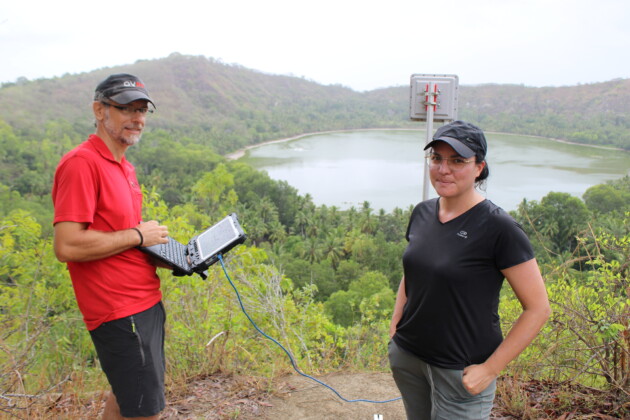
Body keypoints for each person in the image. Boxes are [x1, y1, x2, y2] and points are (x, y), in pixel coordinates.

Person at [388, 120, 551, 419]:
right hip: (408, 357)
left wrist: (490, 369)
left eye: (458, 161)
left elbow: (538, 309)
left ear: (479, 167)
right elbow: (413, 269)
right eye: (436, 158)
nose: (443, 169)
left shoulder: (499, 228)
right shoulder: (423, 212)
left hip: (460, 371)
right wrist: (396, 322)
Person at [52, 73, 171, 420]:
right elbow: (68, 245)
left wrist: (166, 255)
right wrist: (138, 236)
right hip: (119, 310)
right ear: (100, 110)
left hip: (143, 302)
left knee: (126, 398)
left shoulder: (124, 167)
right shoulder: (81, 163)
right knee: (146, 410)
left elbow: (118, 237)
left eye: (142, 110)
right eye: (126, 109)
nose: (137, 119)